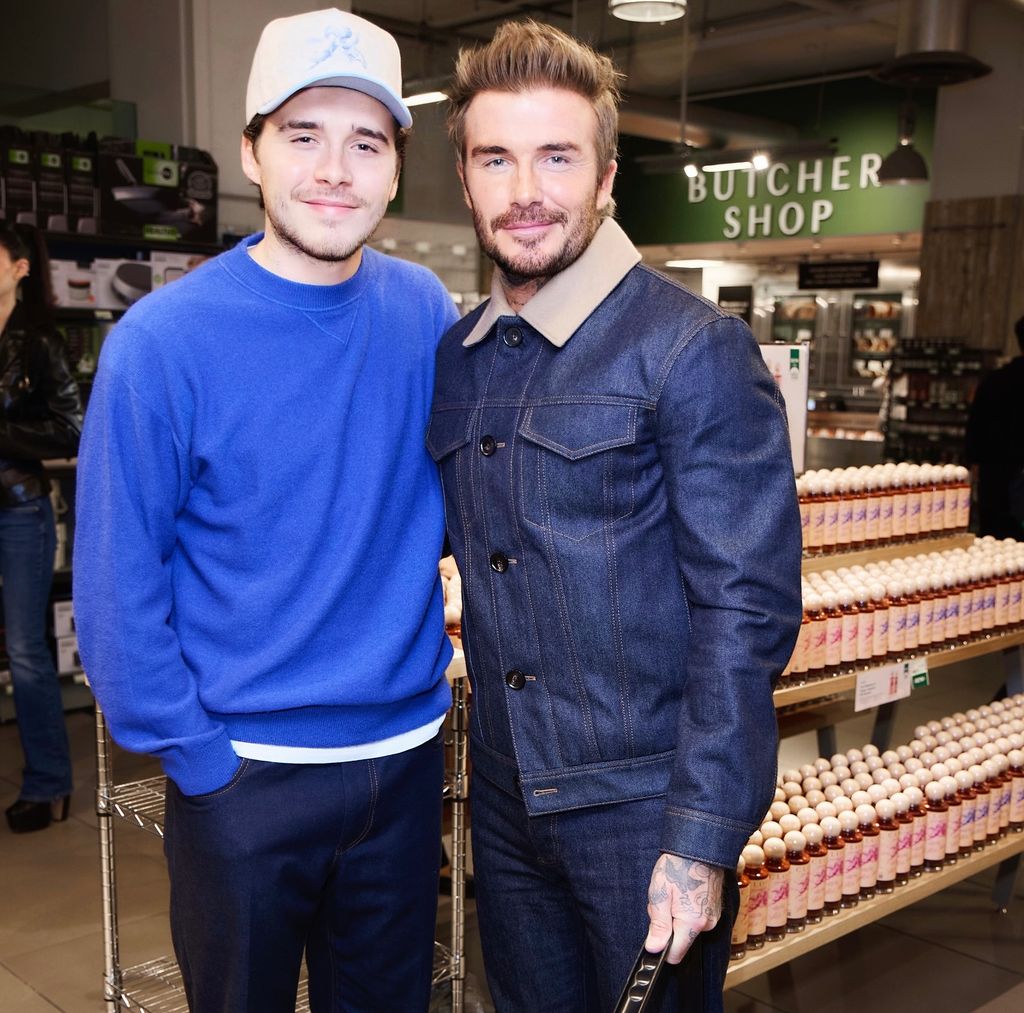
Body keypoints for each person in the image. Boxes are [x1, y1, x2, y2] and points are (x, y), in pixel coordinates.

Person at [74, 9, 458, 1011]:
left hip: (407, 762)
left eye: (365, 141)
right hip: (244, 775)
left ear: (394, 168)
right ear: (250, 151)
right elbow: (117, 586)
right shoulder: (162, 343)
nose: (335, 168)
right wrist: (199, 758)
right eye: (302, 134)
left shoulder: (427, 313)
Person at [428, 21, 803, 1012]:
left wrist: (700, 833)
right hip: (506, 800)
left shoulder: (689, 349)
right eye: (494, 159)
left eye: (557, 156)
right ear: (464, 180)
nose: (524, 191)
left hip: (643, 808)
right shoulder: (457, 360)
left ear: (604, 177)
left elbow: (745, 609)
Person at [0, 221, 81, 834]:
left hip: (18, 507)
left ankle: (49, 783)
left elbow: (70, 429)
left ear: (19, 267)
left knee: (27, 651)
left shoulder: (38, 340)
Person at [965, 315, 1024, 539]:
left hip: (995, 479)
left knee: (993, 548)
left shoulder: (994, 381)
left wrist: (975, 468)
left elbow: (975, 430)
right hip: (1014, 479)